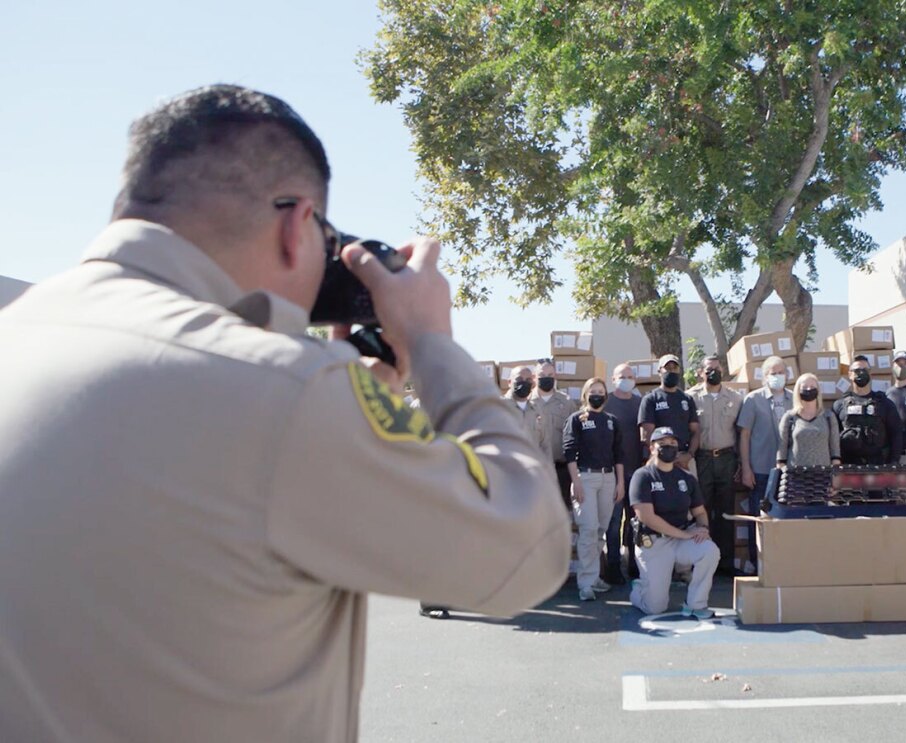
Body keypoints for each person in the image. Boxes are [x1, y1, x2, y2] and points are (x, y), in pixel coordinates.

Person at [0, 85, 569, 742]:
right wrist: (432, 342)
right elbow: (527, 551)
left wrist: (356, 403)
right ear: (298, 227)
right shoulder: (282, 392)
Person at [629, 427, 720, 618]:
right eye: (662, 444)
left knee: (709, 550)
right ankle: (639, 590)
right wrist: (685, 534)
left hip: (681, 539)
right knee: (655, 607)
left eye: (672, 444)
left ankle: (696, 604)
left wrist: (703, 528)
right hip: (654, 543)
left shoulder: (686, 478)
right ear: (652, 448)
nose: (668, 448)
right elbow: (647, 517)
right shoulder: (642, 476)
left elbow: (700, 512)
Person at [563, 377, 626, 601]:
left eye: (601, 390)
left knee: (600, 529)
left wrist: (620, 482)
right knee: (588, 529)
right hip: (585, 478)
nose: (597, 394)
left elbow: (619, 453)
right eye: (593, 391)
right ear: (585, 394)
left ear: (606, 395)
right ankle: (586, 583)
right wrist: (576, 481)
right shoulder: (577, 419)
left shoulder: (611, 421)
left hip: (608, 479)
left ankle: (594, 575)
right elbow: (569, 452)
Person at [735, 355, 792, 571]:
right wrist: (746, 468)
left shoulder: (793, 399)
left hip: (787, 471)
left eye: (781, 372)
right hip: (760, 468)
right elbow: (745, 436)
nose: (777, 376)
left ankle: (782, 564)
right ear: (764, 376)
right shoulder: (753, 399)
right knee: (758, 518)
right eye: (773, 373)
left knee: (784, 517)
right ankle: (756, 562)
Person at [688, 355, 743, 575]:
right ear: (701, 372)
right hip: (702, 458)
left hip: (727, 459)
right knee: (702, 510)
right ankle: (702, 561)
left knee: (726, 511)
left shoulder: (735, 398)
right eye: (709, 369)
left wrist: (740, 462)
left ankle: (726, 562)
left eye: (717, 368)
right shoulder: (691, 397)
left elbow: (740, 433)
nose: (714, 372)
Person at [602, 362, 644, 583]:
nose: (626, 380)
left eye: (630, 376)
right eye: (622, 376)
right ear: (613, 379)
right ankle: (613, 567)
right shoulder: (606, 401)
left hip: (637, 471)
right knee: (613, 521)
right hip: (612, 472)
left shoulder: (640, 403)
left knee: (635, 521)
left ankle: (635, 565)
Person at [832, 355, 903, 465]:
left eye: (865, 370)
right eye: (857, 370)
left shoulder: (884, 403)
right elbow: (833, 438)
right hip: (849, 468)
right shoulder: (839, 405)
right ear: (849, 374)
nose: (861, 373)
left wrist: (893, 462)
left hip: (879, 467)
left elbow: (896, 434)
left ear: (870, 374)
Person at [639, 353, 701, 476]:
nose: (671, 371)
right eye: (667, 368)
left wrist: (689, 455)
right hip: (659, 458)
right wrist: (667, 456)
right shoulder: (650, 399)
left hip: (684, 459)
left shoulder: (687, 399)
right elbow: (646, 435)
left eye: (675, 368)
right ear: (659, 371)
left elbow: (695, 431)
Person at [535, 359, 577, 509]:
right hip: (536, 469)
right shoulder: (527, 402)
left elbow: (574, 435)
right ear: (535, 377)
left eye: (550, 374)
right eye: (542, 374)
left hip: (561, 470)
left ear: (555, 375)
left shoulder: (567, 402)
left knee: (563, 513)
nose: (546, 377)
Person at [778, 374, 842, 468]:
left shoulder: (828, 416)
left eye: (812, 387)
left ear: (818, 391)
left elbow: (835, 452)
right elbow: (781, 453)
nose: (808, 389)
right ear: (797, 391)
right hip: (795, 475)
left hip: (822, 476)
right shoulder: (789, 417)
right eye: (804, 387)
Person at [504, 364, 549, 459]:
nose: (523, 383)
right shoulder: (498, 408)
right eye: (519, 379)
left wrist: (549, 471)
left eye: (528, 380)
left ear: (532, 384)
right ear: (509, 382)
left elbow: (545, 446)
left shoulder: (537, 410)